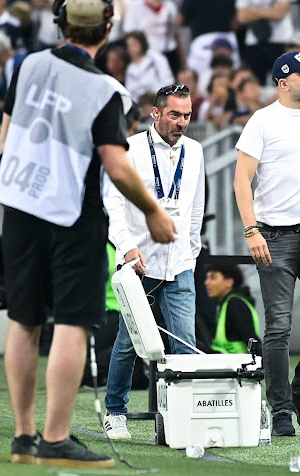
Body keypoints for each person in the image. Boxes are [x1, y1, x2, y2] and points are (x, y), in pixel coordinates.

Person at [0, 0, 176, 468]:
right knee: (73, 323)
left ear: (59, 21)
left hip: (19, 205)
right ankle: (56, 437)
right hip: (72, 215)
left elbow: (6, 134)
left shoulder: (28, 64)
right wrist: (154, 212)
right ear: (109, 29)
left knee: (23, 320)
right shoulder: (105, 90)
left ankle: (23, 437)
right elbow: (116, 165)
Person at [233, 50, 300, 437]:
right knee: (278, 328)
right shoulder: (261, 121)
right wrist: (251, 231)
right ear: (283, 81)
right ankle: (280, 409)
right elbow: (241, 180)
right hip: (273, 235)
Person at [103, 84, 205, 440]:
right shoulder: (128, 149)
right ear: (156, 113)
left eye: (187, 115)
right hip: (138, 262)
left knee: (185, 343)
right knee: (129, 341)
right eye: (174, 114)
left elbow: (195, 207)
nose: (181, 122)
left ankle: (185, 417)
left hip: (179, 263)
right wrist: (127, 248)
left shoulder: (195, 151)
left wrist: (192, 251)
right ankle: (115, 411)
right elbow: (113, 204)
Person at [204, 264, 262, 355]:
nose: (206, 282)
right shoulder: (225, 303)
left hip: (235, 364)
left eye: (213, 278)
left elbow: (250, 338)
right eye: (207, 278)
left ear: (229, 282)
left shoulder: (235, 303)